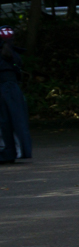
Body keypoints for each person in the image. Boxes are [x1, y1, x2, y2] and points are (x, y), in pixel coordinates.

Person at [0, 26, 30, 161]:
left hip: (4, 88)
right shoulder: (14, 54)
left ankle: (8, 151)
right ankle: (20, 150)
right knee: (17, 120)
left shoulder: (9, 54)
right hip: (12, 88)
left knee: (4, 121)